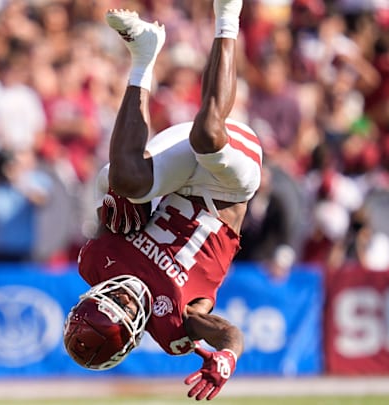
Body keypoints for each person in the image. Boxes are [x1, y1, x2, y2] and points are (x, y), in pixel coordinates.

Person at [63, 1, 262, 401]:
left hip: (176, 176)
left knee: (123, 182)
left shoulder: (98, 260)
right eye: (125, 305)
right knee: (208, 135)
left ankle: (143, 55)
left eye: (111, 296)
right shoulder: (174, 327)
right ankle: (228, 13)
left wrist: (121, 205)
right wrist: (226, 357)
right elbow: (229, 333)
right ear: (135, 331)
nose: (125, 292)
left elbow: (119, 194)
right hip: (226, 189)